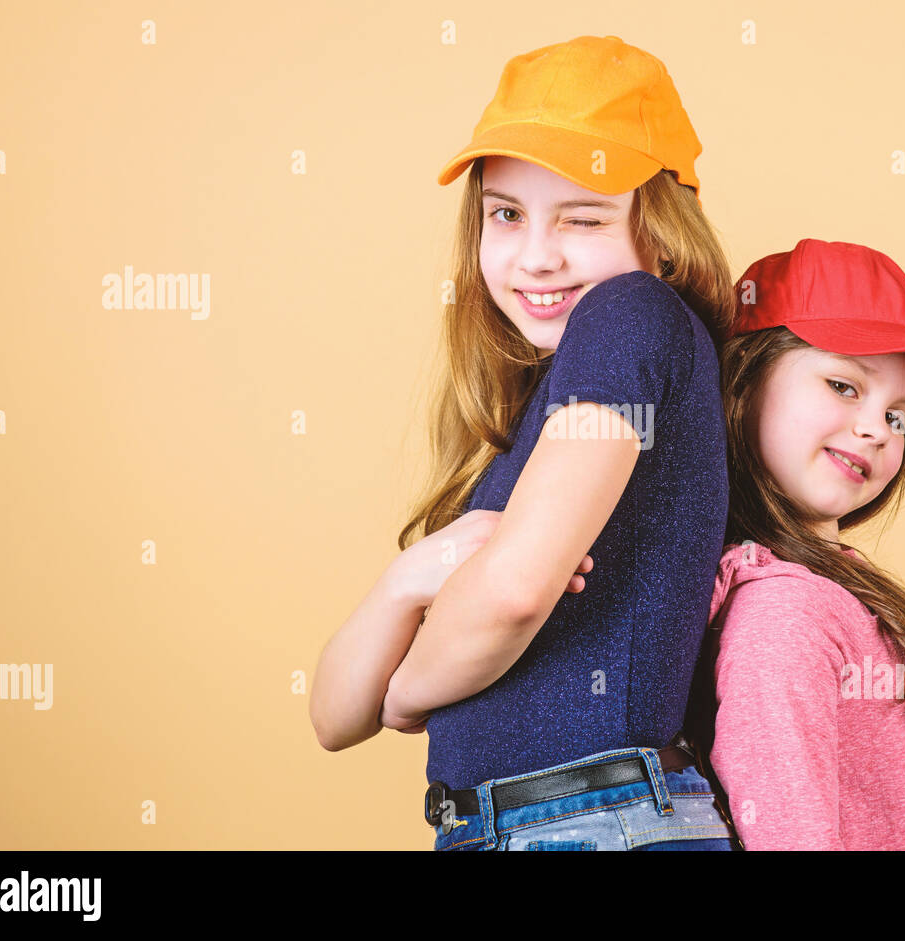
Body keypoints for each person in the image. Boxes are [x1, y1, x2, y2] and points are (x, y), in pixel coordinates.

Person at [309, 35, 739, 851]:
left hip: (587, 822)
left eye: (582, 217)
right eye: (505, 214)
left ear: (664, 235)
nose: (536, 256)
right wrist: (413, 578)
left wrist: (404, 694)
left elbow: (510, 596)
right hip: (547, 824)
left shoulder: (629, 314)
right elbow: (331, 715)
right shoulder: (543, 399)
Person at [684, 238, 905, 850]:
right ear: (743, 382)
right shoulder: (785, 615)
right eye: (844, 386)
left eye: (898, 417)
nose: (874, 430)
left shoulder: (839, 593)